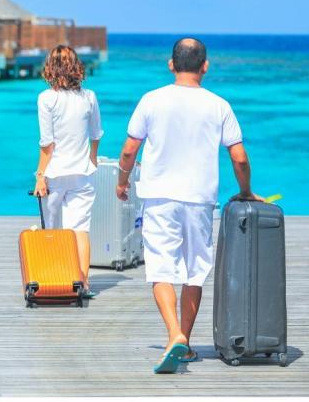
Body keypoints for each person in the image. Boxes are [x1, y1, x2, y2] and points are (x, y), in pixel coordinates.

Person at [116, 37, 263, 374]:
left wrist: (122, 181)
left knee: (160, 267)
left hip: (159, 196)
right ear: (205, 66)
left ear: (171, 64)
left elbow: (128, 150)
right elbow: (239, 158)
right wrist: (246, 191)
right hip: (199, 199)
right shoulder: (219, 105)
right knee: (194, 269)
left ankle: (174, 336)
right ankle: (183, 341)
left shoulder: (151, 100)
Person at [33, 45, 103, 298]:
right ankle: (82, 283)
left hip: (54, 174)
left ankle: (53, 279)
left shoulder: (46, 98)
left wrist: (40, 175)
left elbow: (47, 144)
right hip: (82, 173)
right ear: (77, 67)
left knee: (51, 231)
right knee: (80, 230)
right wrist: (92, 159)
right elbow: (96, 134)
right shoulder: (89, 97)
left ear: (50, 67)